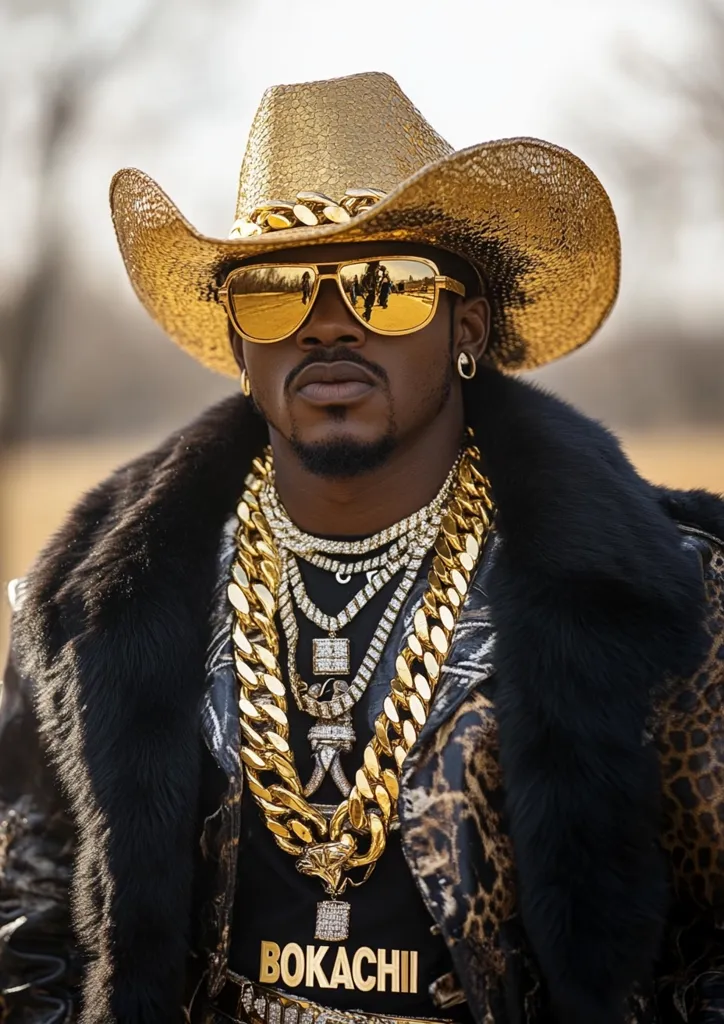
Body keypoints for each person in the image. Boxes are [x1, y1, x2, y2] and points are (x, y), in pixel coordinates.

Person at [1, 70, 723, 1024]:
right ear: (237, 344)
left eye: (387, 286)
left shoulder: (658, 595)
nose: (327, 322)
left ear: (466, 326)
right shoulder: (93, 604)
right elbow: (32, 901)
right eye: (274, 293)